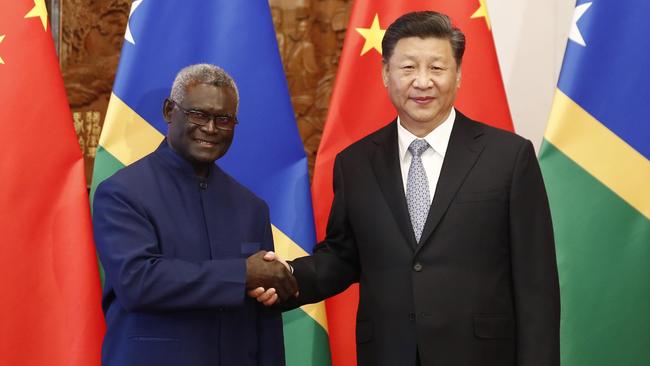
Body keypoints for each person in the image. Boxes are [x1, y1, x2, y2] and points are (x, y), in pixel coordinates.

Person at [252, 11, 560, 366]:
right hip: (387, 353)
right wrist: (287, 277)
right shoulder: (355, 163)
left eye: (437, 68)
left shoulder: (509, 157)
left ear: (458, 75)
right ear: (386, 74)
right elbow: (343, 257)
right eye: (409, 68)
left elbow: (537, 285)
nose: (423, 82)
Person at [93, 64, 297, 366]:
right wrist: (242, 273)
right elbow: (138, 282)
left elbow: (263, 318)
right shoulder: (122, 193)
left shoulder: (251, 206)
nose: (211, 129)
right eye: (198, 114)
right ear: (168, 111)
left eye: (224, 119)